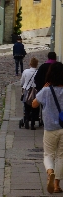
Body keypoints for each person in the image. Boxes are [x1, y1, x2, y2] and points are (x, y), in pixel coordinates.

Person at [32, 62, 63, 194]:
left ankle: (50, 171)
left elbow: (34, 104)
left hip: (50, 128)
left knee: (48, 154)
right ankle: (56, 185)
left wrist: (42, 90)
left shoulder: (46, 91)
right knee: (61, 156)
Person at [21, 57, 39, 130]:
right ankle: (32, 124)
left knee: (26, 107)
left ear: (30, 64)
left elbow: (22, 81)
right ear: (37, 64)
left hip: (27, 90)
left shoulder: (25, 71)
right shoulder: (38, 72)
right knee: (35, 107)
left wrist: (22, 86)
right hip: (35, 91)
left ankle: (26, 120)